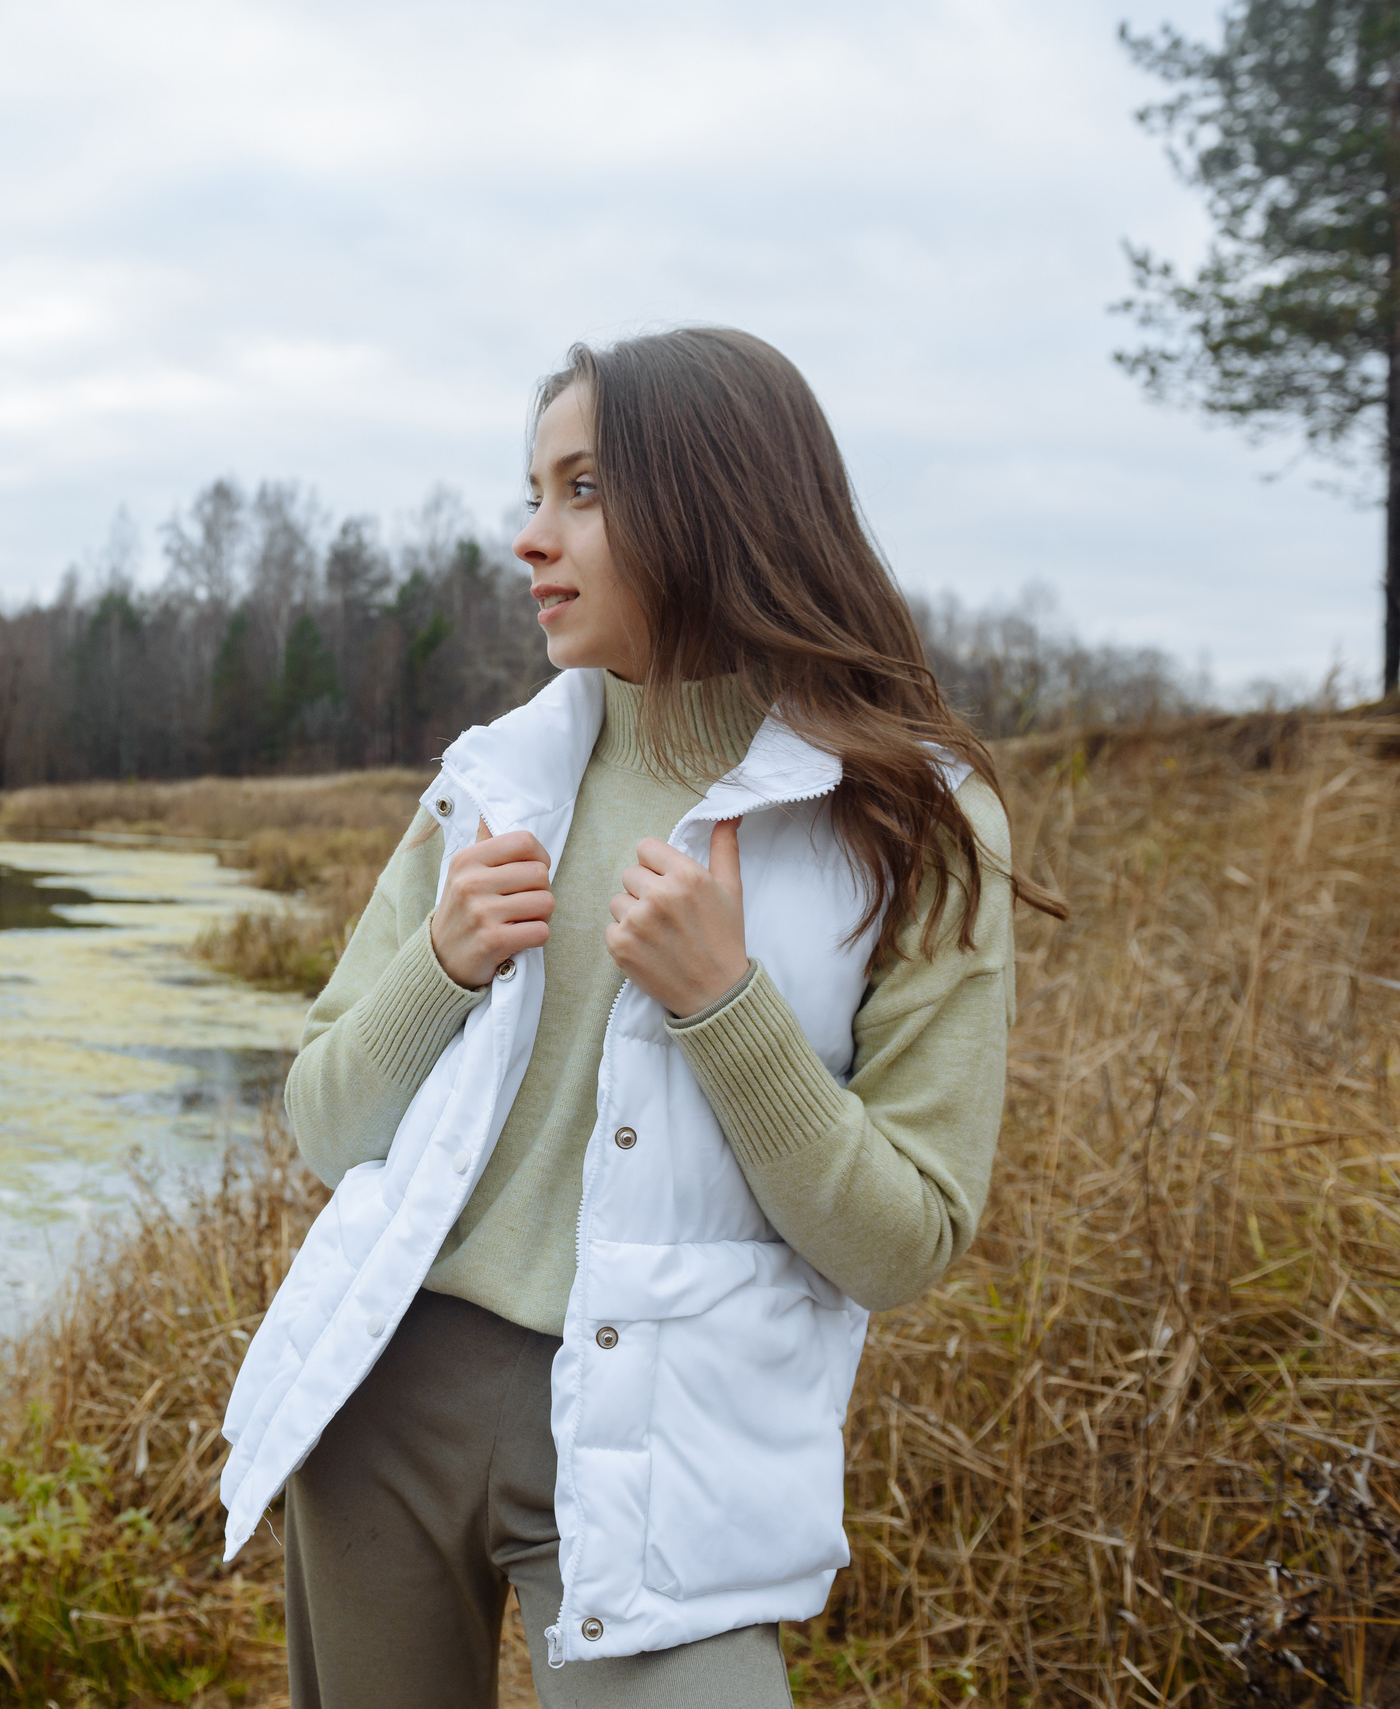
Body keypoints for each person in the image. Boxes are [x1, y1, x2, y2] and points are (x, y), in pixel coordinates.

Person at [216, 327, 1063, 1708]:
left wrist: (730, 1009)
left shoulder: (917, 821)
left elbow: (904, 1239)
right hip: (388, 1396)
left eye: (582, 488)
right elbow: (322, 1121)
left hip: (669, 1443)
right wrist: (439, 960)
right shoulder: (491, 783)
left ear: (719, 498)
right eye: (532, 488)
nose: (528, 536)